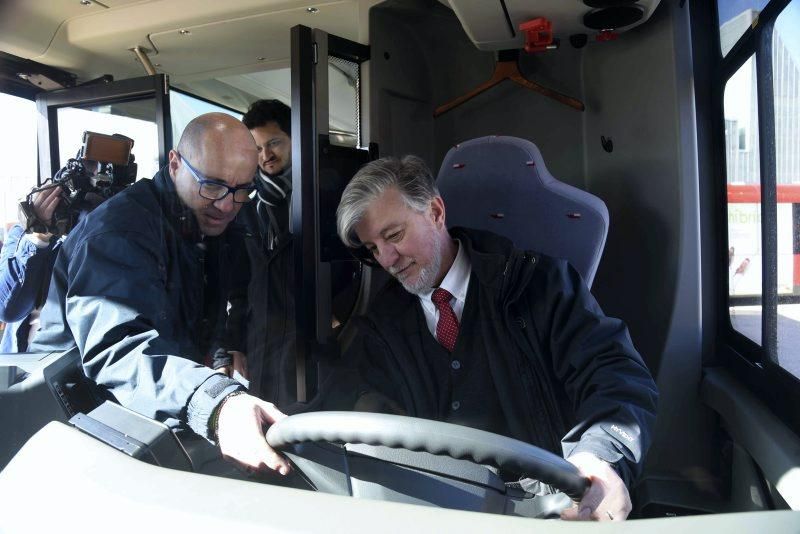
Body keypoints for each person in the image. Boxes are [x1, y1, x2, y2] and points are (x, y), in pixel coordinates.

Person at [335, 156, 658, 521]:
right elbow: (343, 394)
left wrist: (599, 456)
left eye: (393, 236)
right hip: (429, 510)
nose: (387, 259)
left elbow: (615, 375)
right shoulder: (383, 321)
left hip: (547, 509)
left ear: (436, 212)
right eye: (373, 248)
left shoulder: (539, 285)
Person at [30, 113, 291, 476]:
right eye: (213, 186)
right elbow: (118, 351)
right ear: (174, 164)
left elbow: (208, 306)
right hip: (79, 416)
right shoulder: (118, 232)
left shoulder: (211, 218)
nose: (228, 205)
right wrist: (215, 402)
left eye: (242, 189)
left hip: (151, 403)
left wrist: (220, 354)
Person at [0, 186, 64, 353]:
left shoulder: (103, 232)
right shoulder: (21, 232)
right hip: (23, 359)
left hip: (71, 358)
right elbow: (9, 309)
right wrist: (37, 236)